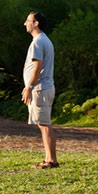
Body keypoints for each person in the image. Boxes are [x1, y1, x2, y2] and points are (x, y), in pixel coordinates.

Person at [21, 11, 57, 168]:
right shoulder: (43, 40)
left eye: (28, 20)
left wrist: (29, 87)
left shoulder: (38, 42)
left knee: (44, 124)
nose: (25, 23)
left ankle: (52, 160)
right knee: (43, 124)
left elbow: (37, 67)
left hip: (40, 88)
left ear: (36, 23)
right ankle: (48, 158)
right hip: (44, 88)